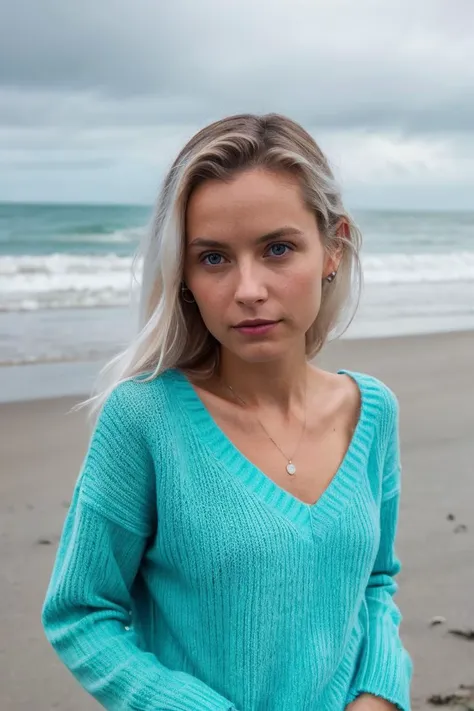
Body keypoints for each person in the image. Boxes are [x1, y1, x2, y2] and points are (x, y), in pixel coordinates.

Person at [42, 113, 412, 711]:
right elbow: (81, 614)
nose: (248, 288)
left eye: (278, 249)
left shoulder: (371, 411)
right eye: (213, 258)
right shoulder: (143, 421)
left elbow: (375, 582)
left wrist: (380, 693)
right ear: (183, 274)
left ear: (332, 248)